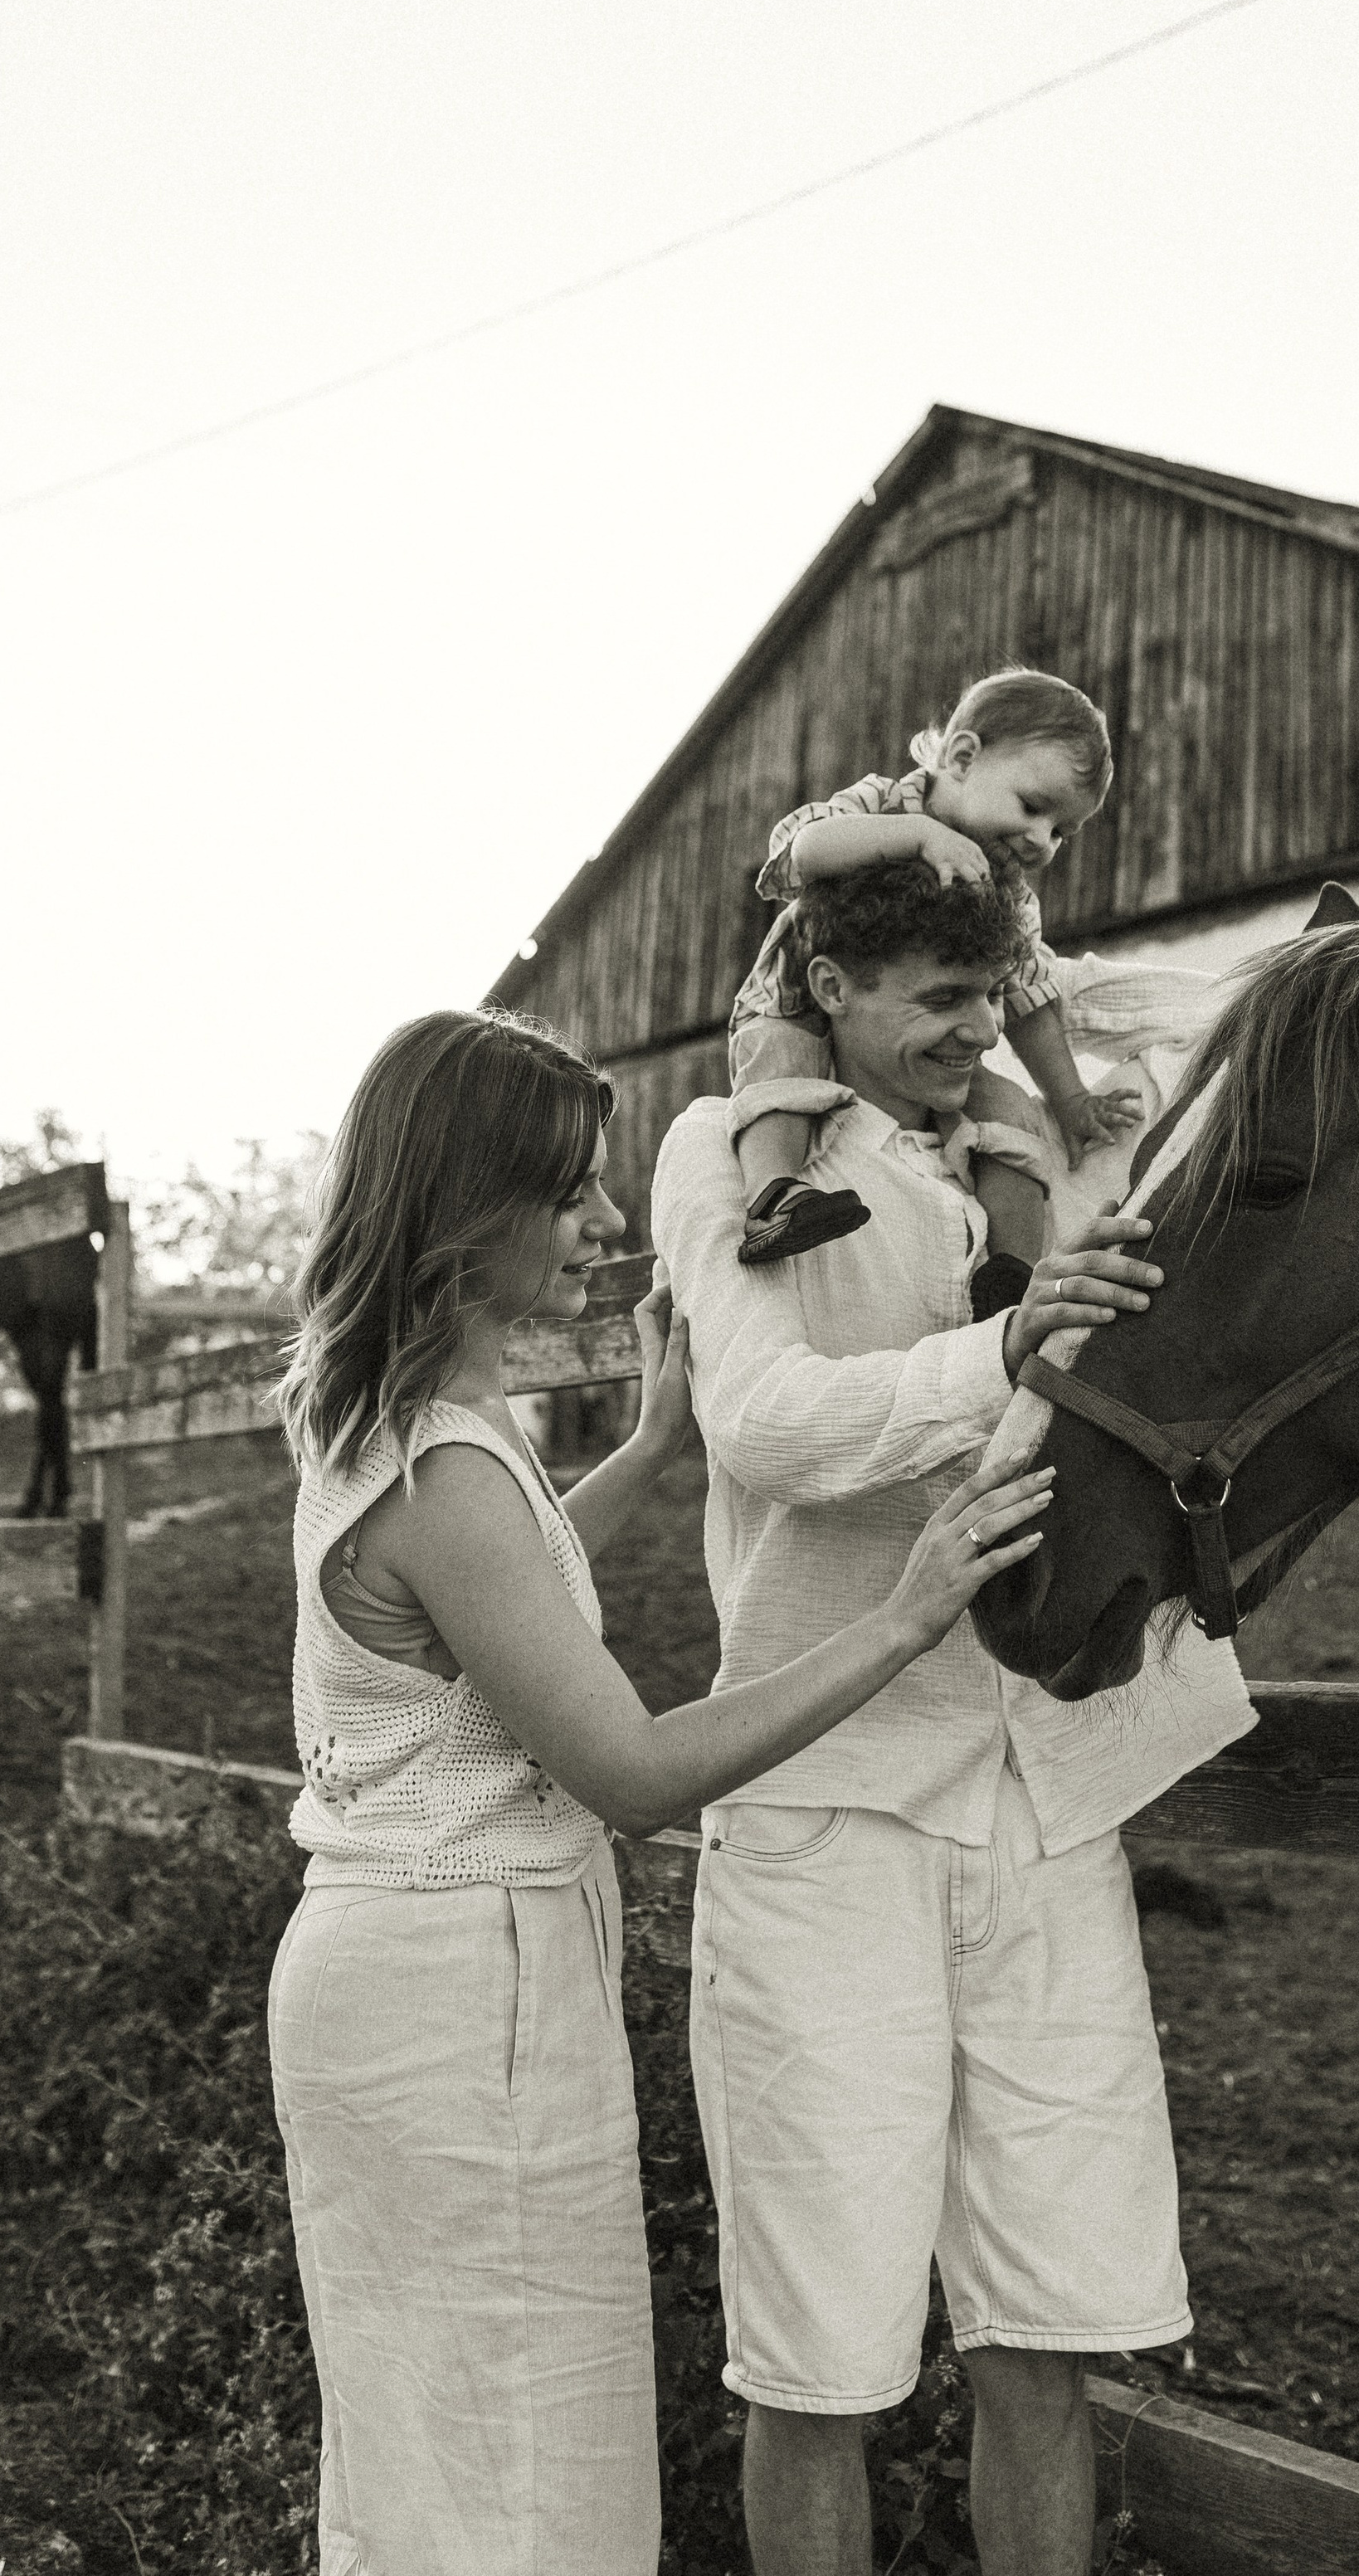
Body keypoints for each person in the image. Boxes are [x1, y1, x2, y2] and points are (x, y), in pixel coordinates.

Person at [265, 1005, 1059, 2576]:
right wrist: (906, 1613)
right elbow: (630, 1770)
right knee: (519, 2470)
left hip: (404, 1968)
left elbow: (506, 1584)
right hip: (458, 1987)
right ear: (461, 1208)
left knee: (436, 2445)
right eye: (567, 1192)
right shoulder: (447, 1468)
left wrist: (647, 1444)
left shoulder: (388, 1416)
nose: (611, 1223)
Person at [650, 862, 1257, 2576]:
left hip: (1045, 1800)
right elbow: (762, 1424)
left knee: (1048, 2329)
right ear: (825, 982)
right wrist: (1006, 1359)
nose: (972, 1028)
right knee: (815, 2360)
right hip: (827, 1808)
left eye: (988, 996)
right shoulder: (730, 1148)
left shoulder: (1042, 1144)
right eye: (931, 997)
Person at [731, 667, 1139, 1292]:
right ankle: (772, 1200)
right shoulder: (884, 804)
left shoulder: (1012, 898)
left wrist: (1071, 1099)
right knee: (782, 1071)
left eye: (1062, 831)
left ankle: (1010, 1270)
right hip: (794, 1002)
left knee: (1009, 1113)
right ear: (963, 755)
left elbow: (1029, 998)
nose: (1042, 841)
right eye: (1032, 807)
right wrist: (916, 837)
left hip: (924, 1046)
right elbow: (801, 853)